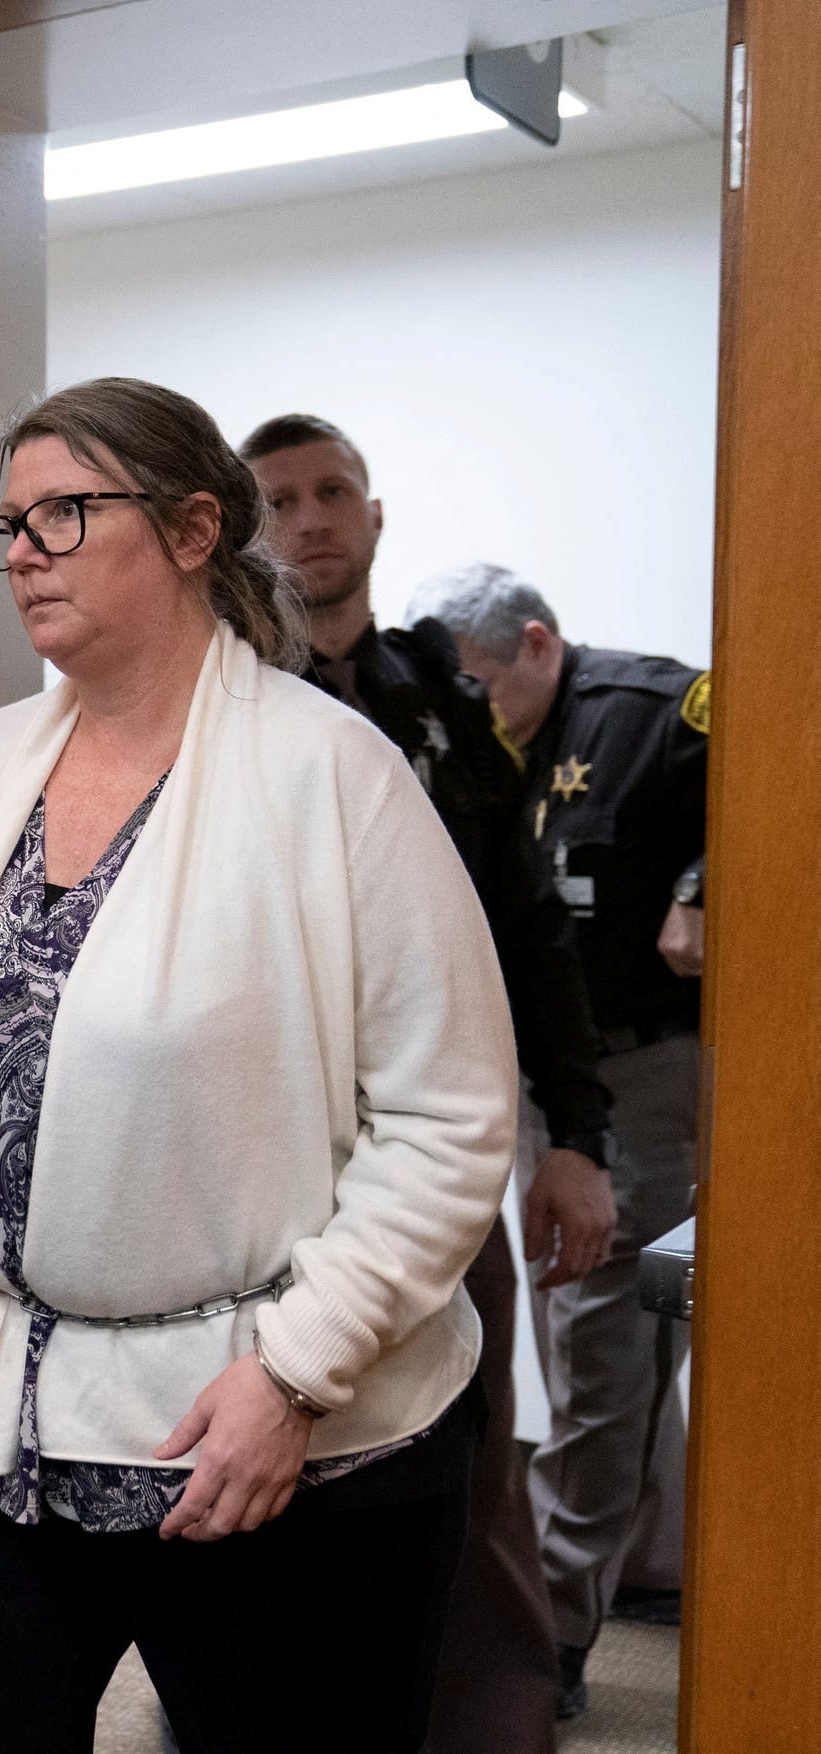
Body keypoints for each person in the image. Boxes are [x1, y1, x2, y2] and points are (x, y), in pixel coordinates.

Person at [0, 377, 514, 1754]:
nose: (24, 550)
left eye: (67, 514)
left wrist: (297, 1370)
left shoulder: (333, 774)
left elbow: (448, 1121)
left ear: (194, 527)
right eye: (13, 522)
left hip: (279, 1442)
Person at [242, 413, 615, 1754]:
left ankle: (491, 1726)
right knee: (263, 1441)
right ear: (248, 530)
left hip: (442, 1153)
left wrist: (575, 1133)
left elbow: (531, 927)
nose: (310, 519)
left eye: (333, 490)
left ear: (376, 516)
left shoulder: (444, 704)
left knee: (467, 1443)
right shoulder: (223, 702)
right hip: (266, 1159)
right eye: (278, 499)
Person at [409, 563, 708, 1718]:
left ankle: (564, 1629)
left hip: (634, 1072)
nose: (474, 706)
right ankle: (648, 1561)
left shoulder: (652, 714)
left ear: (539, 643)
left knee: (595, 1341)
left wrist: (704, 877)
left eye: (488, 681)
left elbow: (786, 759)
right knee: (586, 1328)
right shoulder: (469, 740)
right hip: (530, 1083)